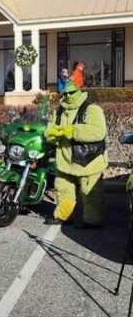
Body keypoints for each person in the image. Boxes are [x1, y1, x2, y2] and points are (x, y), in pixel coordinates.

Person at [44, 83, 108, 229]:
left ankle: (93, 220)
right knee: (63, 189)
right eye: (65, 93)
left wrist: (70, 130)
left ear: (79, 91)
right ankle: (64, 216)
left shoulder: (92, 109)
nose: (67, 96)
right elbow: (50, 128)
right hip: (65, 160)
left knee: (90, 192)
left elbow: (98, 131)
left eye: (71, 93)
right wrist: (51, 135)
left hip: (89, 160)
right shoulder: (59, 110)